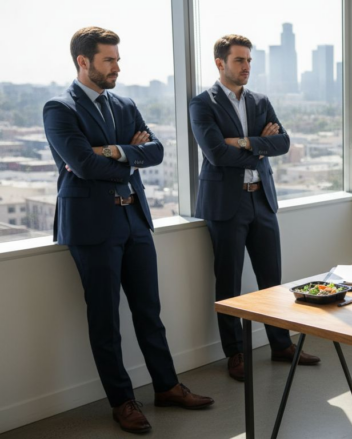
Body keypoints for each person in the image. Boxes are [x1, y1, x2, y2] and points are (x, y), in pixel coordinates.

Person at [43, 27, 213, 434]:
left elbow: (155, 151)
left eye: (117, 59)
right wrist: (124, 155)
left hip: (134, 218)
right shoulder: (59, 108)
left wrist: (115, 150)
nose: (118, 66)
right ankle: (122, 401)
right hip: (91, 226)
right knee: (105, 320)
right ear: (84, 62)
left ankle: (167, 386)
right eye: (109, 60)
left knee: (149, 311)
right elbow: (83, 166)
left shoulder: (125, 103)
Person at [189, 34, 320, 382]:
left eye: (249, 60)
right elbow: (216, 153)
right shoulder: (201, 104)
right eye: (239, 60)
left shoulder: (260, 101)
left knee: (272, 280)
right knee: (229, 282)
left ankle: (281, 345)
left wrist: (245, 142)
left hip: (261, 199)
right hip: (226, 205)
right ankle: (235, 354)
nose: (246, 67)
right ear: (220, 63)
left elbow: (283, 142)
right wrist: (259, 145)